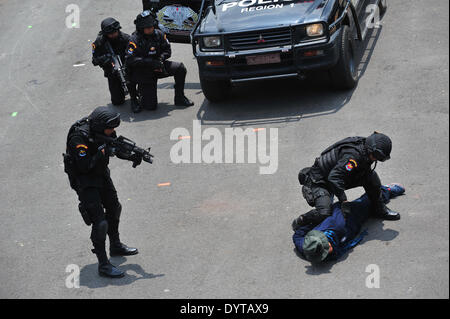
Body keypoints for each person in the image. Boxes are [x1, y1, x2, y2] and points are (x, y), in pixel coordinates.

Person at [63, 107, 141, 278]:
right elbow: (84, 166)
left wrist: (131, 156)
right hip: (84, 180)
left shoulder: (103, 131)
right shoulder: (79, 139)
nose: (112, 131)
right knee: (100, 222)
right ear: (99, 126)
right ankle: (103, 264)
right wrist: (101, 153)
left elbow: (114, 146)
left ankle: (115, 245)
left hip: (100, 173)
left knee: (114, 208)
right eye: (110, 129)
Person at [292, 132, 400, 230]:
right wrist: (343, 201)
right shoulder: (353, 157)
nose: (376, 159)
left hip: (336, 176)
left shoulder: (364, 148)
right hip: (319, 182)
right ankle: (302, 220)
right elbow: (334, 178)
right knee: (324, 212)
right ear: (370, 149)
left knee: (372, 178)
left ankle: (378, 209)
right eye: (376, 156)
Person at [293, 183, 405, 263]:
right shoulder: (307, 248)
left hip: (349, 214)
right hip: (351, 225)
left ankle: (387, 190)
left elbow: (298, 234)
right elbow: (297, 236)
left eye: (327, 248)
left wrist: (309, 222)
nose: (329, 250)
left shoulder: (337, 224)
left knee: (369, 201)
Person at [125, 11, 194, 112]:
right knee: (150, 107)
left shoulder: (159, 34)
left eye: (152, 26)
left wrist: (161, 58)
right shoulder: (134, 40)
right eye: (147, 27)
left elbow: (167, 50)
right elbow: (130, 59)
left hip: (158, 65)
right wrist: (149, 62)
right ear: (141, 28)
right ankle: (140, 93)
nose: (150, 29)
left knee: (180, 68)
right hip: (143, 71)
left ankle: (180, 98)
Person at [92, 18, 140, 112]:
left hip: (128, 68)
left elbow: (136, 52)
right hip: (112, 71)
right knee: (117, 101)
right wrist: (106, 59)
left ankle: (135, 98)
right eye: (111, 33)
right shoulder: (99, 42)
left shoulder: (126, 38)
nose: (114, 34)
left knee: (131, 81)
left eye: (115, 32)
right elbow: (94, 60)